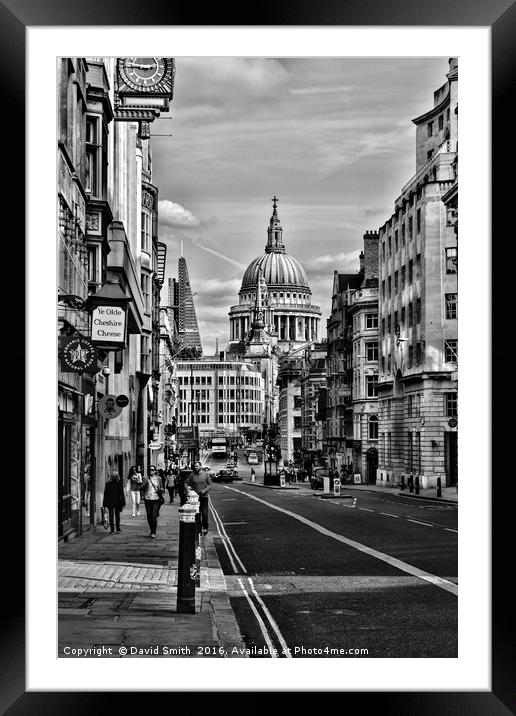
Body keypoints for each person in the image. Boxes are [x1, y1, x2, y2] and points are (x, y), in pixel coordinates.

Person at [186, 460, 212, 535]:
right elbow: (186, 483)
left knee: (204, 513)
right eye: (194, 466)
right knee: (197, 514)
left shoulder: (206, 475)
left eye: (197, 466)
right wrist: (188, 491)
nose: (195, 467)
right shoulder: (192, 475)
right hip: (194, 498)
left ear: (200, 466)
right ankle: (199, 528)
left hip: (204, 497)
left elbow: (210, 485)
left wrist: (204, 490)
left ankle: (205, 527)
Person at [141, 465, 164, 538]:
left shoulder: (159, 478)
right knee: (149, 516)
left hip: (156, 499)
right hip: (147, 498)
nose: (151, 471)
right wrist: (145, 485)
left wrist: (161, 490)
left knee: (154, 516)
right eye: (150, 470)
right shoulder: (145, 478)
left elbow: (162, 487)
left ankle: (153, 532)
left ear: (155, 471)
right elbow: (141, 487)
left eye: (153, 470)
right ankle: (151, 529)